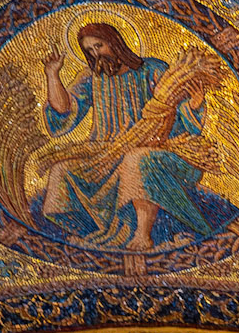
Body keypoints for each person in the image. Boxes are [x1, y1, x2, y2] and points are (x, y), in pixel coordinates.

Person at [39, 18, 227, 251]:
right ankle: (85, 233)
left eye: (99, 46)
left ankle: (142, 235)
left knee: (136, 159)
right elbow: (64, 109)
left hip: (162, 151)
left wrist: (194, 105)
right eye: (89, 51)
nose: (96, 54)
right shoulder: (91, 78)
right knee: (61, 170)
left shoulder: (153, 70)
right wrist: (52, 74)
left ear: (115, 42)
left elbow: (182, 116)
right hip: (106, 154)